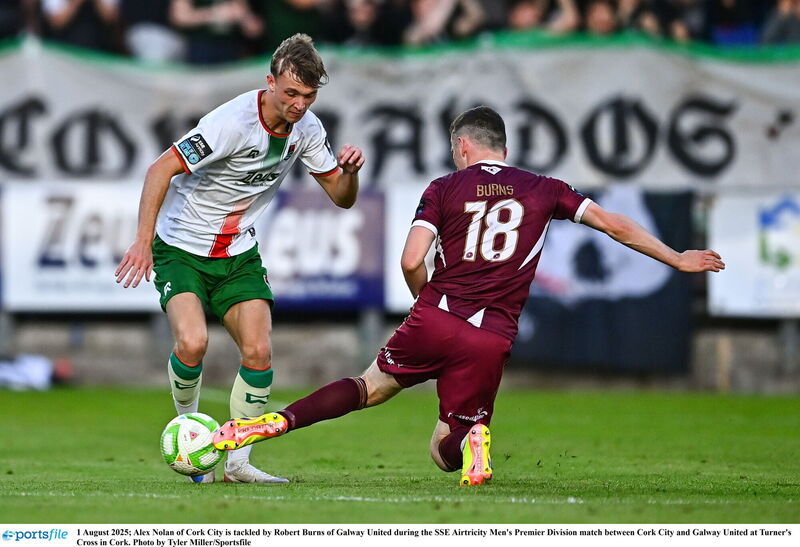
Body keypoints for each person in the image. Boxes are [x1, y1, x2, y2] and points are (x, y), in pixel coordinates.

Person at [212, 106, 724, 486]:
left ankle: (266, 425)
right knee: (444, 448)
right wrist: (677, 258)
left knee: (368, 388)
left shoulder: (444, 187)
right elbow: (613, 225)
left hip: (436, 317)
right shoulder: (546, 188)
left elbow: (413, 259)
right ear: (502, 146)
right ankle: (472, 437)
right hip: (492, 337)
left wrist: (423, 305)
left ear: (463, 147)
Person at [114, 33, 365, 484]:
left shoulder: (308, 130)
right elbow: (160, 169)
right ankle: (190, 439)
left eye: (308, 96)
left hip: (237, 254)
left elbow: (342, 198)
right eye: (290, 93)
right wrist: (142, 240)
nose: (299, 104)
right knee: (192, 343)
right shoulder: (230, 123)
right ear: (269, 82)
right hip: (181, 249)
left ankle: (237, 463)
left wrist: (349, 175)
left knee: (259, 350)